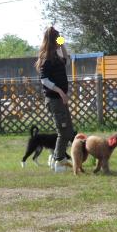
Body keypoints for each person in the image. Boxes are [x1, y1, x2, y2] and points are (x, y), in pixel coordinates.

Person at [37, 26, 74, 173]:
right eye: (58, 38)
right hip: (55, 100)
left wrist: (62, 45)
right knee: (63, 131)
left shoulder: (55, 56)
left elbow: (67, 62)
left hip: (60, 100)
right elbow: (44, 80)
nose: (60, 40)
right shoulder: (46, 58)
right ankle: (58, 161)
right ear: (53, 40)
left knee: (68, 130)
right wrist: (61, 92)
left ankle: (57, 159)